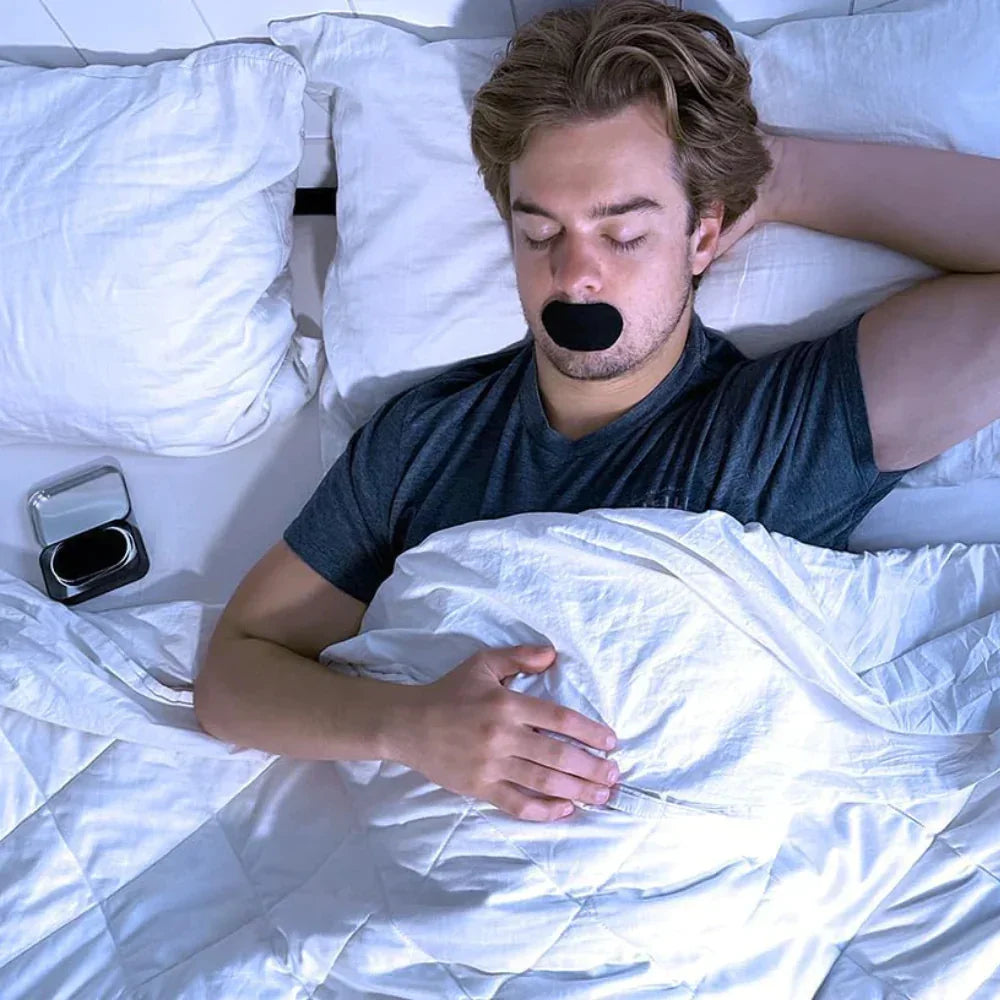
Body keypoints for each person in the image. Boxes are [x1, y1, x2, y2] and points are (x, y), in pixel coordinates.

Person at [194, 0, 1000, 822]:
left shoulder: (784, 429)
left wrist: (783, 175)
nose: (574, 275)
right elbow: (231, 678)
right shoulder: (423, 438)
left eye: (623, 235)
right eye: (540, 232)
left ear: (701, 238)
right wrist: (409, 727)